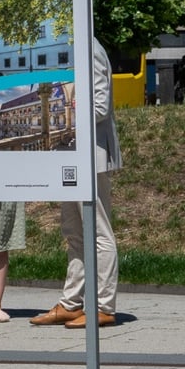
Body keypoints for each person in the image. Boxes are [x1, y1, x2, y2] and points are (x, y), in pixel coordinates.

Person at [31, 38, 122, 329]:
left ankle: (104, 306)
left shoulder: (89, 46)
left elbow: (100, 106)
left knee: (98, 230)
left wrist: (59, 124)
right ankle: (72, 302)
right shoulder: (71, 45)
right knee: (72, 229)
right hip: (71, 155)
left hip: (91, 154)